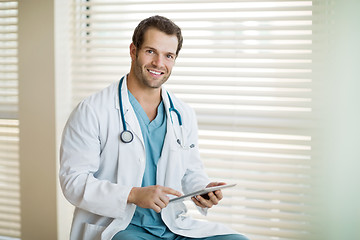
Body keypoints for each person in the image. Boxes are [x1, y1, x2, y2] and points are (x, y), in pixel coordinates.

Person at [59, 15, 249, 240]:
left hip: (172, 226)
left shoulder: (182, 113)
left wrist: (202, 189)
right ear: (133, 51)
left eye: (168, 55)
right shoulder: (92, 111)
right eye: (151, 51)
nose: (159, 63)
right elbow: (74, 181)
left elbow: (190, 171)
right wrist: (133, 194)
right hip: (121, 228)